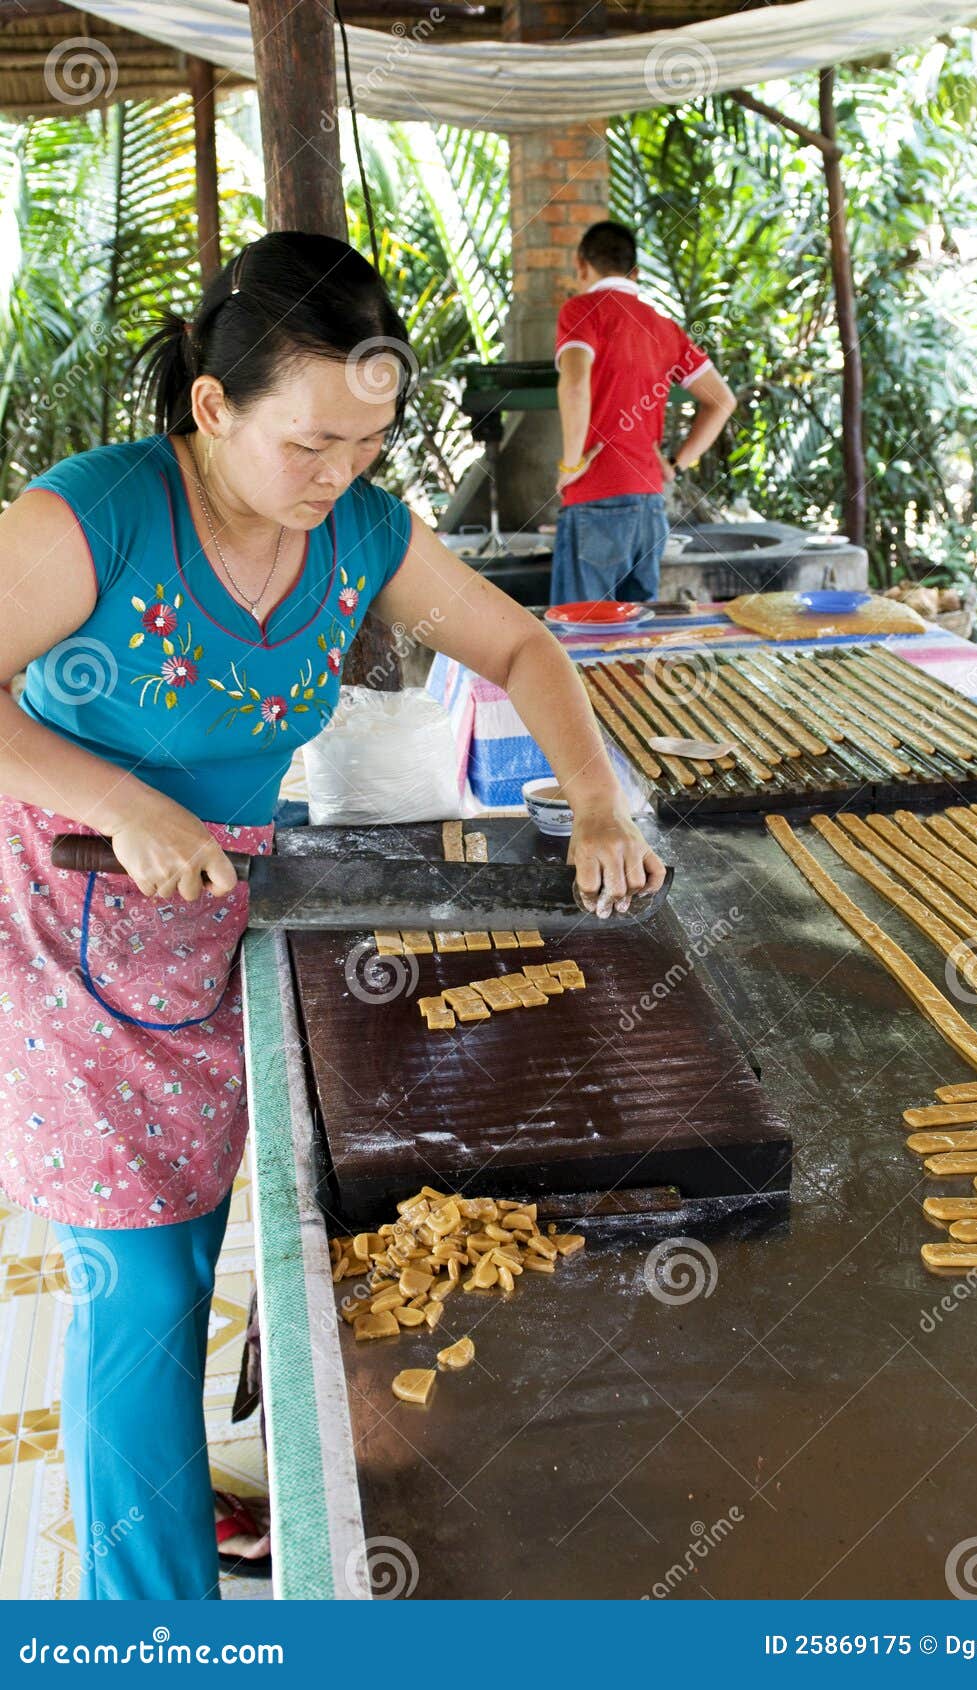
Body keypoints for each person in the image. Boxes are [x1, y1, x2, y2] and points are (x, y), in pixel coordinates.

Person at [0, 231, 666, 1600]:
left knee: (264, 1224)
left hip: (234, 895)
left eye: (367, 445)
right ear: (209, 407)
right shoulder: (99, 516)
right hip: (69, 893)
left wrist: (594, 799)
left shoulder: (356, 527)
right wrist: (124, 801)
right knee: (142, 1275)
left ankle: (245, 1500)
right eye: (308, 444)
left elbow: (520, 644)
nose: (337, 478)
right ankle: (153, 1624)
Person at [551, 220, 736, 606]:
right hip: (650, 507)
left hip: (595, 499)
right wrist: (677, 463)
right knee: (635, 639)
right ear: (634, 273)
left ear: (582, 265)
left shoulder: (581, 311)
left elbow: (573, 383)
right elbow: (722, 401)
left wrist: (570, 466)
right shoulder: (665, 328)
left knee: (582, 637)